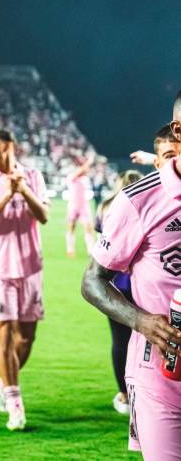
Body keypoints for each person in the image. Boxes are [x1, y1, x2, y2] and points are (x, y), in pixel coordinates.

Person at [82, 108, 181, 459]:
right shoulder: (138, 200)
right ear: (178, 130)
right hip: (161, 375)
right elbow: (93, 281)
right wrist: (141, 320)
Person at [0, 129, 48, 431]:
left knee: (27, 338)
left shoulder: (33, 176)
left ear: (8, 145)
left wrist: (23, 190)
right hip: (0, 268)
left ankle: (4, 382)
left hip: (31, 267)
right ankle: (15, 404)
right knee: (4, 335)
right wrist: (7, 195)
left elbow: (43, 216)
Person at [96, 169, 143, 415]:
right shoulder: (146, 204)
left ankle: (124, 394)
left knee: (120, 341)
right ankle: (144, 392)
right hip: (141, 284)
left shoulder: (106, 207)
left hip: (114, 283)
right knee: (148, 341)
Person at [65, 155, 95, 257]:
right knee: (71, 227)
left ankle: (90, 251)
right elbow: (82, 170)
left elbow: (84, 170)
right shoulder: (71, 176)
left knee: (88, 228)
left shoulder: (85, 178)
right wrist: (89, 161)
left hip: (83, 207)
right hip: (73, 206)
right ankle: (70, 249)